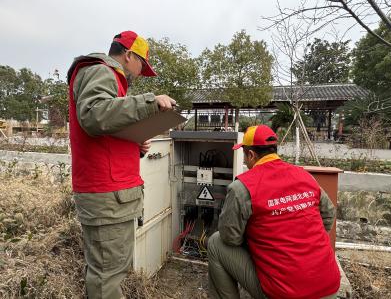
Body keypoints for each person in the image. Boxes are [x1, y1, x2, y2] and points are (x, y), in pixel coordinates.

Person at [67, 30, 176, 299]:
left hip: (114, 197)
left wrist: (134, 144)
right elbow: (93, 115)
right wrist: (150, 101)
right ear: (128, 55)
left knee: (110, 270)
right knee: (107, 278)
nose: (140, 74)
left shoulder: (111, 82)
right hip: (107, 197)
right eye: (141, 66)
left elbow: (104, 130)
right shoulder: (101, 71)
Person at [207, 125, 340, 299]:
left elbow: (230, 237)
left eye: (245, 157)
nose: (246, 163)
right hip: (328, 287)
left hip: (284, 293)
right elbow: (329, 213)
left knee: (216, 242)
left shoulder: (242, 187)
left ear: (251, 155)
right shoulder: (304, 175)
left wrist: (255, 243)